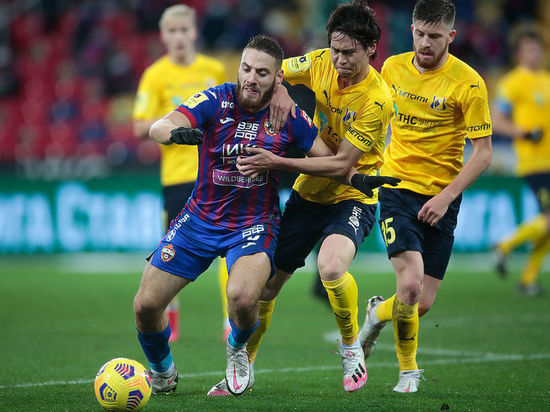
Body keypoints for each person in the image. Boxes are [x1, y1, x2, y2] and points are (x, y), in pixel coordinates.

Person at [133, 34, 389, 396]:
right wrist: (176, 134)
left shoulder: (289, 117)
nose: (251, 78)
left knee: (242, 297)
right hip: (199, 220)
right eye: (246, 69)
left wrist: (357, 179)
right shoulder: (215, 99)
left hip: (254, 225)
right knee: (145, 305)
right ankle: (163, 372)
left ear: (277, 78)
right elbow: (158, 126)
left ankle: (238, 348)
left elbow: (328, 161)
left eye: (262, 73)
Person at [208, 0, 395, 395]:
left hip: (353, 193)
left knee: (331, 266)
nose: (339, 60)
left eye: (349, 52)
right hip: (308, 194)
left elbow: (341, 165)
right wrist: (280, 89)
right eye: (335, 49)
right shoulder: (320, 61)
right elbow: (275, 71)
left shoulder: (377, 100)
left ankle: (351, 347)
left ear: (371, 48)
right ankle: (244, 366)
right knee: (265, 288)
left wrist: (276, 161)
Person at [357, 0, 492, 393]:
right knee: (411, 284)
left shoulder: (468, 83)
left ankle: (376, 315)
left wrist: (446, 197)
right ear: (412, 30)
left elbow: (483, 154)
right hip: (397, 189)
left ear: (451, 36)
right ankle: (408, 372)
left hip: (442, 198)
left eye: (434, 35)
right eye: (419, 33)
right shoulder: (391, 68)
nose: (425, 43)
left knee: (420, 303)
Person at [132, 4, 229, 342]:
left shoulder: (213, 69)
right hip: (177, 178)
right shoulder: (155, 75)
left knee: (228, 247)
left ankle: (229, 320)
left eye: (183, 30)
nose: (178, 37)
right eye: (172, 31)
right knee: (172, 251)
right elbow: (139, 125)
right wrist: (173, 125)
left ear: (194, 32)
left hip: (215, 174)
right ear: (163, 36)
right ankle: (169, 314)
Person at [492, 27, 550, 296]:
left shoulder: (547, 80)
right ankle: (505, 245)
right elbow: (497, 120)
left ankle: (528, 279)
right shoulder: (511, 83)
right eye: (528, 49)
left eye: (537, 48)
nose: (534, 53)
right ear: (518, 53)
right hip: (535, 163)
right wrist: (524, 133)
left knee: (547, 224)